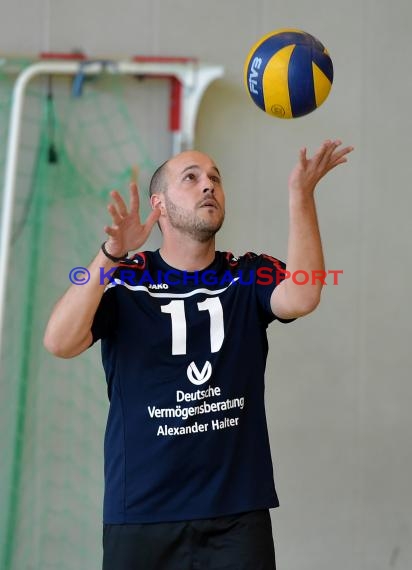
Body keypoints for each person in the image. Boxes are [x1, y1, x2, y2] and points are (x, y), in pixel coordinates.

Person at [44, 140, 353, 570]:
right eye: (191, 178)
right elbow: (59, 342)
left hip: (236, 515)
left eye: (215, 178)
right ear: (160, 205)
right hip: (142, 514)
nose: (208, 185)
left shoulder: (247, 272)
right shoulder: (125, 279)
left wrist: (301, 196)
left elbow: (301, 295)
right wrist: (112, 255)